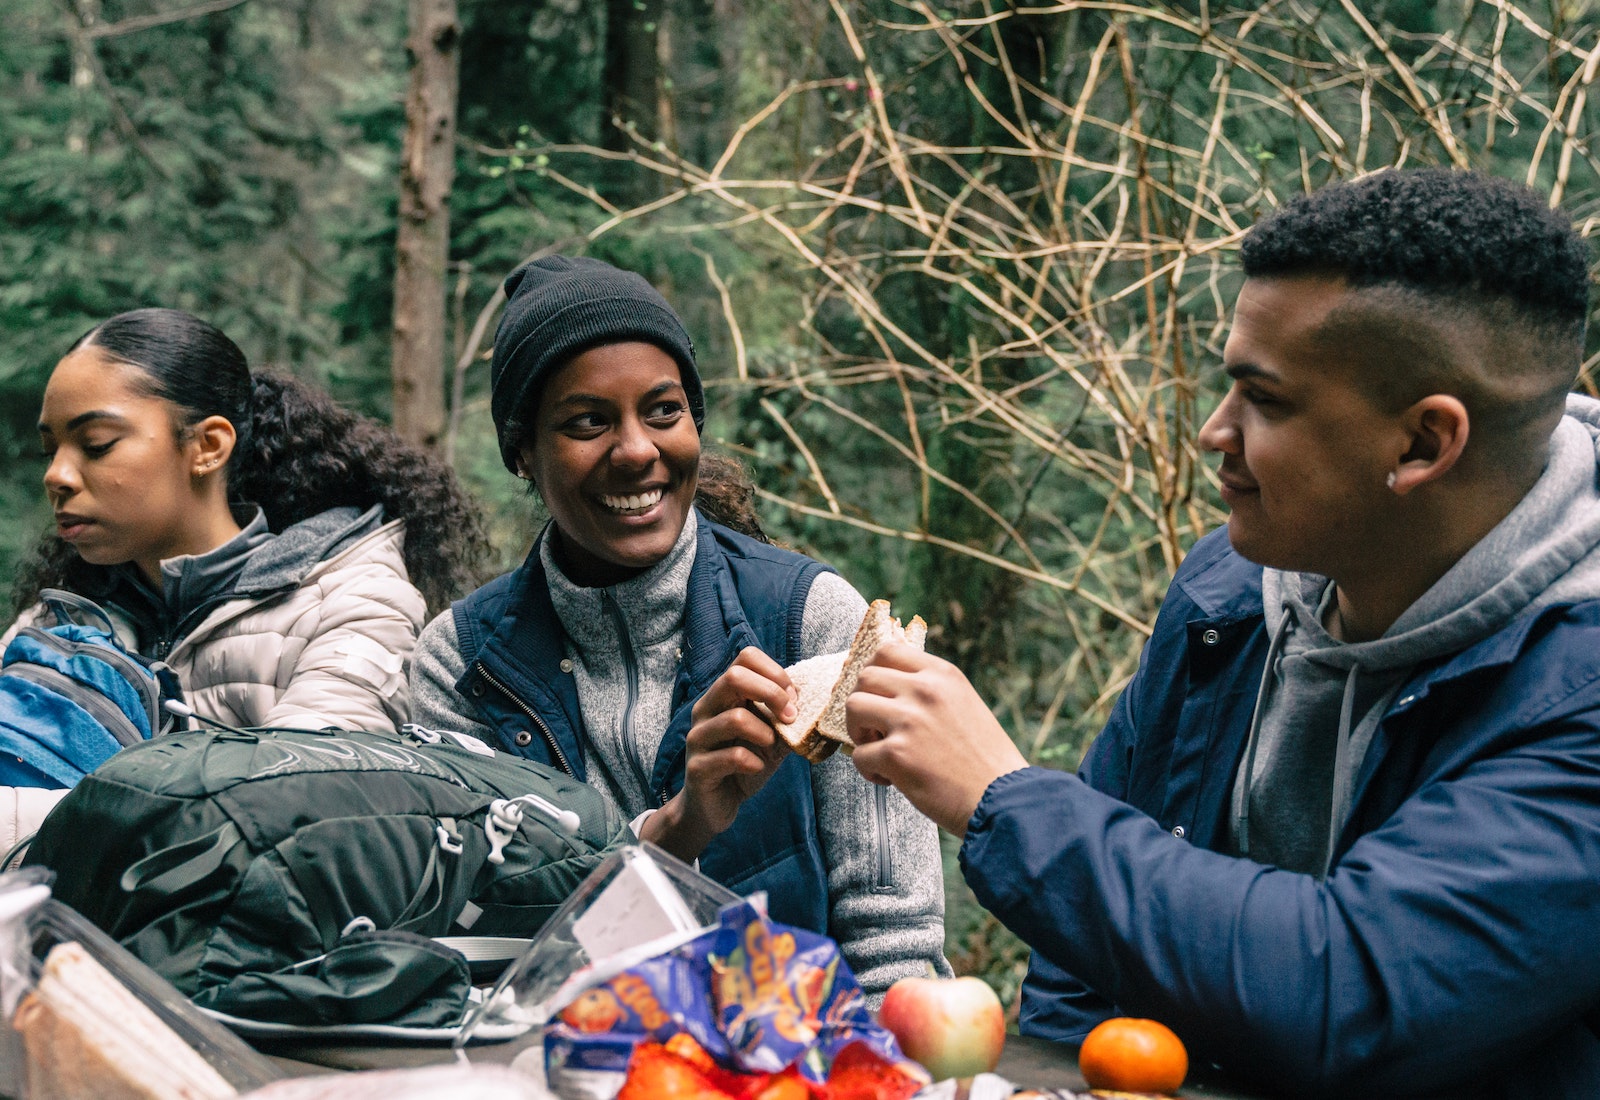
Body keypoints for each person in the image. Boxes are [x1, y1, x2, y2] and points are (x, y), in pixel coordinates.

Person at [843, 169, 1600, 1097]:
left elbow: (1351, 987)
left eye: (1267, 401)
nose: (1214, 431)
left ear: (1421, 445)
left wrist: (1004, 797)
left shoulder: (1580, 689)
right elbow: (1092, 959)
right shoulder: (1227, 594)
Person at [409, 255, 950, 999]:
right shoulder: (462, 664)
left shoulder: (815, 621)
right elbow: (470, 952)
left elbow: (893, 954)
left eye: (663, 411)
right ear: (522, 453)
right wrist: (676, 831)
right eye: (587, 422)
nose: (636, 450)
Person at [3, 308, 489, 828]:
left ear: (208, 447)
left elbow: (290, 818)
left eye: (96, 444)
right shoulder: (55, 622)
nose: (57, 475)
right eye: (49, 450)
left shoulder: (352, 605)